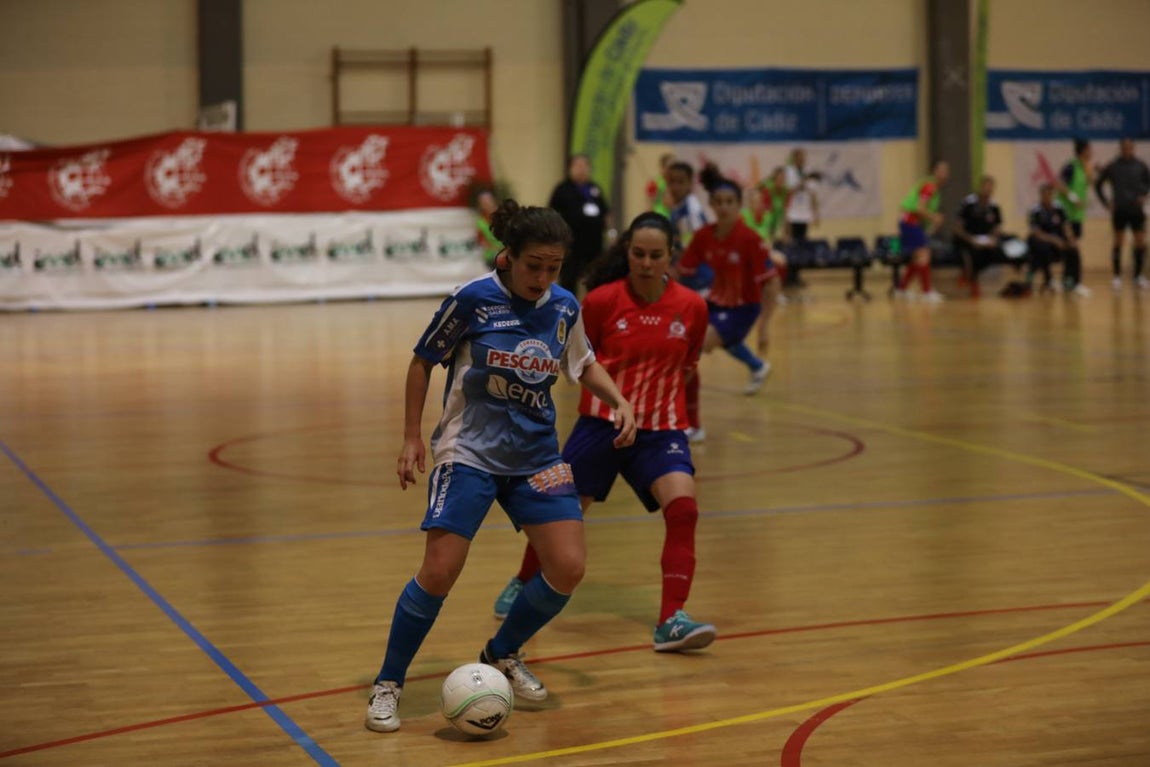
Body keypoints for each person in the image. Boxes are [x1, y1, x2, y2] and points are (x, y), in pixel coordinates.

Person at [364, 200, 636, 734]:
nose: (543, 277)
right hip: (470, 452)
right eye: (534, 265)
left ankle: (502, 653)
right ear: (507, 256)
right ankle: (388, 683)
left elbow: (581, 363)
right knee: (440, 571)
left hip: (537, 456)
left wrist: (619, 400)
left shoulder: (563, 306)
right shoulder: (473, 299)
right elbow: (422, 361)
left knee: (568, 567)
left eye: (554, 267)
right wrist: (410, 438)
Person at [491, 212, 717, 652]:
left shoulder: (692, 307)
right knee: (557, 517)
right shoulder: (599, 302)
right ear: (626, 251)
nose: (646, 263)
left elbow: (689, 367)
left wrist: (686, 415)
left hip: (661, 430)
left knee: (684, 510)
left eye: (656, 255)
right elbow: (578, 360)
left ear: (671, 256)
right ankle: (522, 582)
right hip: (601, 425)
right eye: (638, 254)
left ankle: (671, 619)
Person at [676, 166, 779, 442]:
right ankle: (757, 366)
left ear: (738, 205)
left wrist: (765, 326)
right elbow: (680, 272)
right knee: (679, 342)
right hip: (715, 303)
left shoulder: (749, 240)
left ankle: (691, 424)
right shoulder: (703, 237)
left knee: (690, 349)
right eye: (718, 202)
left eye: (729, 202)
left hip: (744, 308)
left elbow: (772, 283)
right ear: (711, 204)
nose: (723, 207)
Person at [549, 154, 613, 295]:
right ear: (570, 168)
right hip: (572, 245)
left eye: (585, 166)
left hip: (594, 245)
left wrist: (610, 232)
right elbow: (552, 214)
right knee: (569, 280)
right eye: (578, 166)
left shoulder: (595, 189)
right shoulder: (562, 190)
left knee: (595, 278)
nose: (582, 169)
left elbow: (606, 213)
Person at [1094, 138, 1150, 291]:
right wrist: (1107, 203)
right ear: (1120, 149)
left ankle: (1138, 276)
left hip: (1136, 210)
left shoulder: (1141, 166)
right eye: (1124, 148)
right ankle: (1117, 276)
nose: (1127, 150)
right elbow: (1098, 185)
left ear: (1133, 148)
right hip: (1120, 210)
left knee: (1140, 241)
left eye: (1130, 148)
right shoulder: (1113, 166)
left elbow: (1147, 183)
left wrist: (1143, 194)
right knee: (1118, 242)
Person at [895, 160, 949, 302]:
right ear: (934, 172)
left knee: (916, 258)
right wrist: (934, 217)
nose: (944, 174)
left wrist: (932, 223)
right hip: (910, 221)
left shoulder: (934, 190)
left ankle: (901, 289)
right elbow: (920, 208)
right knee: (924, 254)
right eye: (941, 171)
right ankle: (926, 292)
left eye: (946, 171)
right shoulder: (929, 187)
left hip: (912, 222)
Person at [1027, 182, 1087, 296]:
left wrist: (1071, 239)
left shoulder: (1058, 208)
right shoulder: (1035, 211)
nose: (1048, 198)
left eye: (1050, 195)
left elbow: (1066, 225)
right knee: (1041, 247)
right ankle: (1049, 280)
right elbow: (1037, 232)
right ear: (1041, 196)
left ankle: (1073, 283)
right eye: (1045, 195)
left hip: (1059, 241)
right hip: (1045, 242)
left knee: (1074, 249)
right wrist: (1054, 240)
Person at [952, 175, 1004, 298]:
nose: (988, 191)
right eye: (986, 187)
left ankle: (971, 275)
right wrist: (971, 240)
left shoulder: (994, 207)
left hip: (985, 240)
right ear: (980, 188)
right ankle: (972, 279)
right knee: (972, 252)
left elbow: (997, 228)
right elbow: (957, 228)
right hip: (967, 238)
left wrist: (993, 239)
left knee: (998, 252)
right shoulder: (968, 203)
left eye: (991, 188)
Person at [474, 188, 504, 268]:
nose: (486, 204)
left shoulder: (504, 216)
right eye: (483, 202)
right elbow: (481, 241)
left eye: (487, 200)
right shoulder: (481, 222)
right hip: (492, 257)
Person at [646, 152, 676, 218]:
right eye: (670, 167)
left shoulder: (676, 183)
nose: (673, 170)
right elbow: (649, 204)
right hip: (660, 218)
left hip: (674, 219)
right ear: (663, 168)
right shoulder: (655, 183)